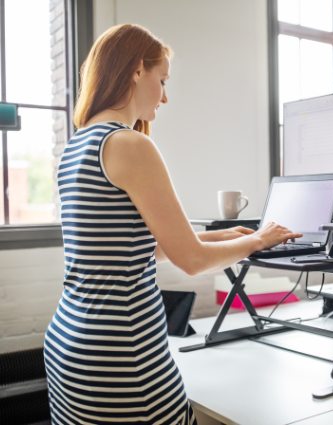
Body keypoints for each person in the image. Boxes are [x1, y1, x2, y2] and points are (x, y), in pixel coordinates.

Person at [43, 24, 301, 424]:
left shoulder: (76, 146)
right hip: (121, 351)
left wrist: (221, 235)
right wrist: (258, 241)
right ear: (135, 70)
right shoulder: (129, 144)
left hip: (70, 346)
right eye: (162, 80)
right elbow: (191, 261)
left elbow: (139, 246)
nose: (165, 96)